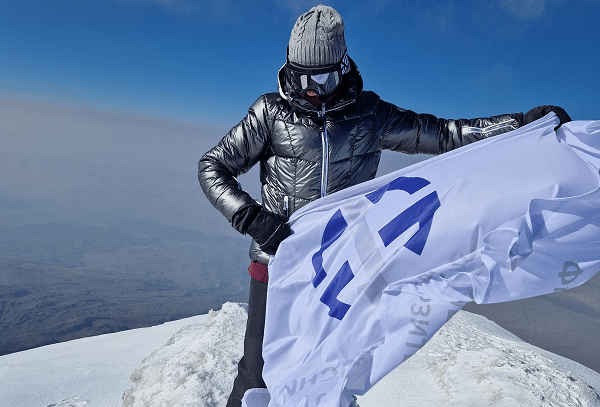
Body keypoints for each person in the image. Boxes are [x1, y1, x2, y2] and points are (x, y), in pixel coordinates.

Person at [198, 5, 571, 406]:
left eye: (320, 77)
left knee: (333, 373)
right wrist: (253, 218)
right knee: (256, 372)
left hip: (345, 272)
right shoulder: (271, 113)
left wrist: (519, 125)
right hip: (277, 265)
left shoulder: (369, 116)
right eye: (298, 76)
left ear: (341, 68)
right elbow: (212, 166)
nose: (308, 88)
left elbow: (443, 135)